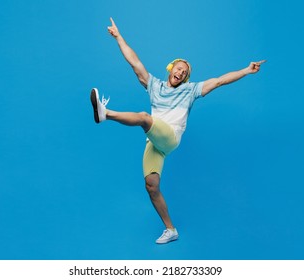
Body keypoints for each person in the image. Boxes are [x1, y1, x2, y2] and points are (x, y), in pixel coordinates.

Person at [90, 17, 265, 244]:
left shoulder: (190, 91)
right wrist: (118, 37)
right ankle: (171, 230)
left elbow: (220, 81)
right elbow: (134, 62)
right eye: (179, 68)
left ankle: (106, 114)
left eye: (185, 72)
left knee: (145, 118)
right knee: (151, 186)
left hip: (170, 137)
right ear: (171, 69)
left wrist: (246, 71)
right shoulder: (153, 86)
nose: (181, 73)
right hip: (155, 143)